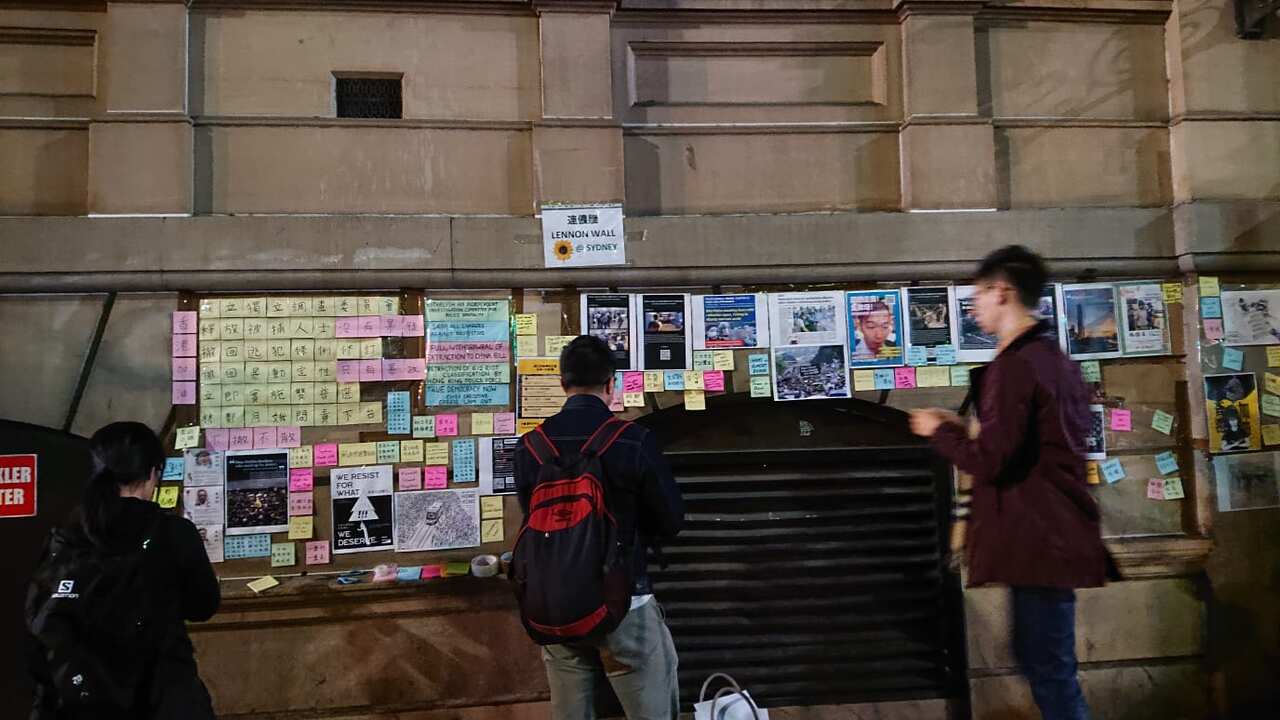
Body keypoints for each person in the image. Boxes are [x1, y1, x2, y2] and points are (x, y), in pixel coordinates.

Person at [909, 246, 1108, 720]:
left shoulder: (1015, 365)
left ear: (1003, 292)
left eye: (977, 294)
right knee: (1040, 660)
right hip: (1045, 536)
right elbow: (1023, 444)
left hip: (1039, 538)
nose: (973, 305)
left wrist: (938, 432)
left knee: (1050, 671)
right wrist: (957, 426)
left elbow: (994, 460)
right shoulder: (1049, 357)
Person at [515, 335, 685, 720]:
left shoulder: (531, 447)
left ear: (563, 384)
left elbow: (533, 519)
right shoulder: (634, 441)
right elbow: (672, 521)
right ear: (612, 384)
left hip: (553, 604)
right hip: (625, 601)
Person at [26, 422, 221, 720]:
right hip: (160, 696)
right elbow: (203, 605)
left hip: (81, 699)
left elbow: (40, 613)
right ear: (154, 472)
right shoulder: (174, 533)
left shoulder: (66, 536)